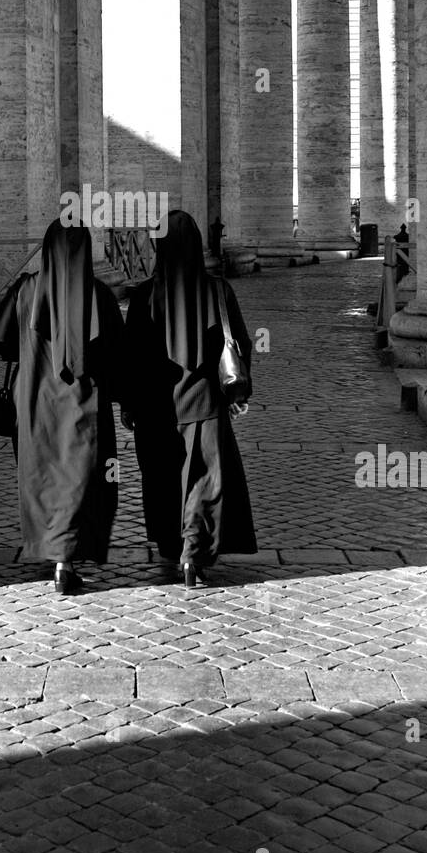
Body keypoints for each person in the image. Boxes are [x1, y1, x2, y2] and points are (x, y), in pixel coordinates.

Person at [122, 209, 257, 586]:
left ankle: (171, 543)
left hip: (155, 407)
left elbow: (129, 356)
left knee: (163, 478)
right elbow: (239, 344)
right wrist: (236, 393)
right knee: (204, 481)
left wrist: (129, 404)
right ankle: (191, 553)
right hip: (205, 403)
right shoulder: (217, 290)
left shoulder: (144, 296)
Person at [0, 219, 125, 595]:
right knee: (79, 480)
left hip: (35, 401)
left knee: (43, 478)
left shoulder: (26, 291)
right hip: (85, 405)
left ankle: (55, 555)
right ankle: (67, 561)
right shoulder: (100, 294)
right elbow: (118, 355)